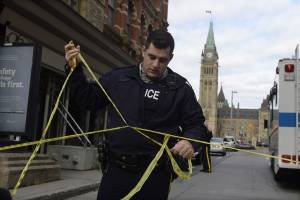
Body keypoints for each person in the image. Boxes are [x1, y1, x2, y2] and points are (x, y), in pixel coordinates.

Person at [64, 30, 207, 200]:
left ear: (171, 58)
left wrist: (190, 140)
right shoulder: (118, 78)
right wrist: (75, 70)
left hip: (155, 176)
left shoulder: (180, 89)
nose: (155, 64)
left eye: (162, 60)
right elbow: (89, 100)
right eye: (151, 57)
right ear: (143, 51)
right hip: (117, 172)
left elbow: (197, 125)